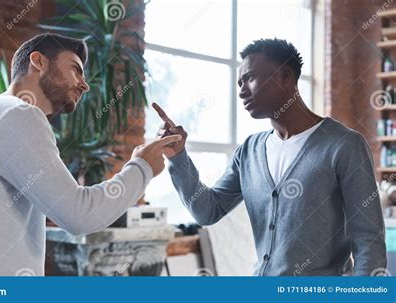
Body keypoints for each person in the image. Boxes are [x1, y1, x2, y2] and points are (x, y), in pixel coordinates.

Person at [0, 33, 181, 276]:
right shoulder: (18, 114)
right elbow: (79, 214)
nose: (84, 84)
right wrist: (142, 167)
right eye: (75, 68)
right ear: (38, 61)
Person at [154, 38, 387, 276]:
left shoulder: (344, 145)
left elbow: (369, 242)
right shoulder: (249, 151)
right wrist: (178, 157)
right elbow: (207, 211)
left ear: (286, 76)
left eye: (250, 78)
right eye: (239, 82)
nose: (242, 90)